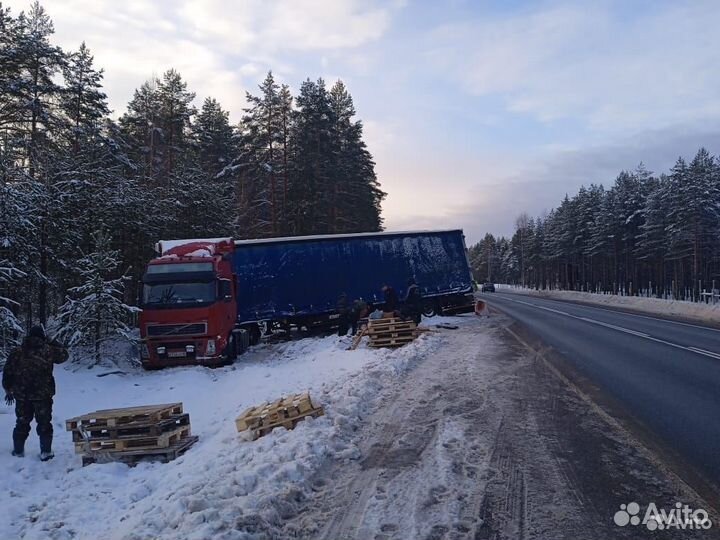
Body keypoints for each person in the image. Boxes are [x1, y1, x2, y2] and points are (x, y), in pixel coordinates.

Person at [3, 326, 68, 460]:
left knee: (21, 423)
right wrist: (52, 341)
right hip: (42, 395)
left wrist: (8, 389)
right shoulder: (48, 350)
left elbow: (7, 372)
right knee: (44, 423)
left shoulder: (17, 352)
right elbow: (64, 355)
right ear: (42, 336)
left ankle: (18, 451)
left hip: (22, 395)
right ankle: (46, 452)